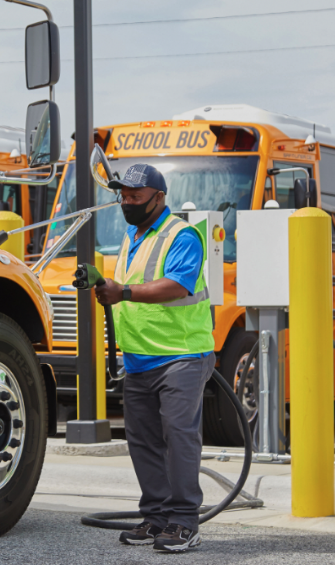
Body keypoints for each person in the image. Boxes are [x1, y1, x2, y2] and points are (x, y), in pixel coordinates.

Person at [93, 163, 215, 553]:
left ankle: (184, 522)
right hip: (139, 358)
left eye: (135, 197)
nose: (127, 203)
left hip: (181, 356)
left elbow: (177, 286)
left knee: (179, 439)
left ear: (158, 198)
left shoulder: (182, 235)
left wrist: (123, 292)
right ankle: (157, 517)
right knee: (143, 441)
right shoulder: (133, 235)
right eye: (123, 197)